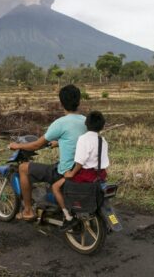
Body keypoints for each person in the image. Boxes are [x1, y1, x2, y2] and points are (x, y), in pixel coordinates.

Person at [8, 84, 86, 221]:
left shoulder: (60, 123)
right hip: (83, 168)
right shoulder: (86, 121)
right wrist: (60, 142)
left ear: (61, 103)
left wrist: (18, 145)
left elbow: (37, 145)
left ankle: (27, 211)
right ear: (79, 101)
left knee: (23, 168)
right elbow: (79, 140)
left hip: (66, 171)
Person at [52, 110, 109, 230]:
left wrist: (71, 173)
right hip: (100, 175)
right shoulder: (102, 140)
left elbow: (79, 162)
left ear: (86, 124)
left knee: (56, 187)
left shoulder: (83, 139)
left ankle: (68, 217)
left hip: (85, 175)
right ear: (102, 126)